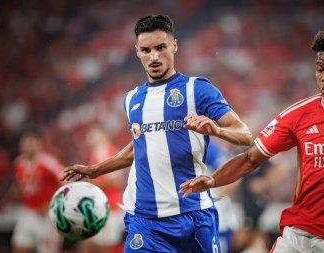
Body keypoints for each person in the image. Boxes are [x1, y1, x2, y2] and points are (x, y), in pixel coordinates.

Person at [62, 14, 252, 253]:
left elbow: (245, 135)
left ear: (174, 45)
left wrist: (217, 130)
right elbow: (138, 148)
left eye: (161, 48)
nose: (153, 56)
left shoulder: (197, 89)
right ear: (137, 51)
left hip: (193, 216)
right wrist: (94, 170)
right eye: (146, 50)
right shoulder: (132, 99)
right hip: (145, 222)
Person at [179, 24, 324, 253]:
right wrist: (213, 181)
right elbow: (250, 159)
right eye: (320, 69)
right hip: (301, 233)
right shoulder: (299, 114)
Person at [0, 125, 63, 253]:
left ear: (40, 144)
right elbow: (18, 185)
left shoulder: (49, 163)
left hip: (47, 216)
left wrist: (50, 204)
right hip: (27, 212)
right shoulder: (18, 163)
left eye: (33, 142)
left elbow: (65, 184)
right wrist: (7, 201)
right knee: (20, 248)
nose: (29, 145)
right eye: (26, 142)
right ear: (21, 144)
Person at [77, 124, 127, 253]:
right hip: (98, 206)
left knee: (104, 246)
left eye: (95, 134)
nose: (92, 138)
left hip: (110, 207)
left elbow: (116, 181)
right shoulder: (96, 153)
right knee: (87, 242)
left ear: (105, 135)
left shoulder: (110, 152)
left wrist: (93, 185)